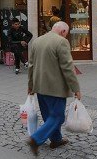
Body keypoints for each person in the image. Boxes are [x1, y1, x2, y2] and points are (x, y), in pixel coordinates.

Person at [25, 21, 80, 155]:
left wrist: (30, 85)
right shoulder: (61, 42)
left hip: (39, 86)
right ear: (63, 32)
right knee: (57, 117)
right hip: (55, 88)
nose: (65, 37)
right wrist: (76, 88)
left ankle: (56, 139)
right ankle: (36, 139)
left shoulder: (37, 41)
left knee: (48, 116)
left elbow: (31, 65)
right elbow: (67, 67)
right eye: (66, 34)